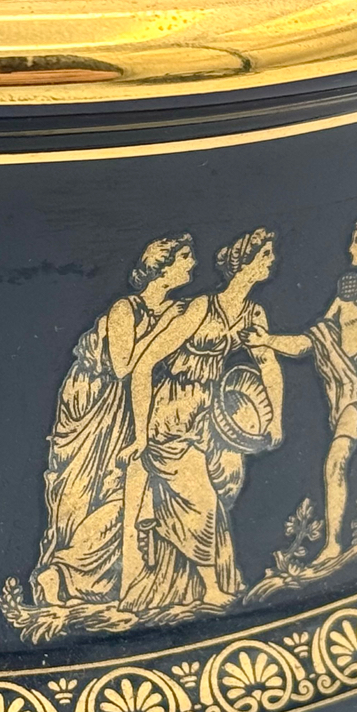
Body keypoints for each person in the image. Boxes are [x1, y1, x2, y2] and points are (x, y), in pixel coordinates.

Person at [120, 228, 285, 612]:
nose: (271, 261)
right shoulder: (200, 308)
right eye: (264, 255)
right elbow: (143, 365)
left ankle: (179, 582)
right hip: (172, 416)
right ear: (244, 262)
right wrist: (141, 435)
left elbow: (269, 366)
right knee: (202, 498)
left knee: (225, 485)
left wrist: (275, 419)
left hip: (209, 419)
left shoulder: (253, 314)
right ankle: (211, 588)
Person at [246, 210, 357, 563]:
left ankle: (332, 544)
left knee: (338, 455)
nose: (350, 247)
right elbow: (312, 341)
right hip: (350, 378)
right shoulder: (346, 294)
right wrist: (268, 341)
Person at [30, 233, 193, 607]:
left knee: (119, 493)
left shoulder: (170, 310)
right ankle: (58, 574)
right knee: (82, 494)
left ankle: (87, 582)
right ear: (162, 268)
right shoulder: (126, 308)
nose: (193, 265)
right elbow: (123, 366)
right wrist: (165, 326)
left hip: (130, 406)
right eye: (185, 258)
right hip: (95, 405)